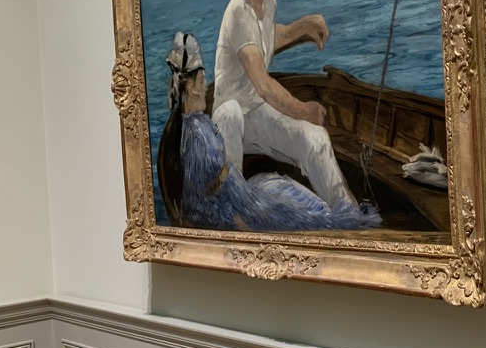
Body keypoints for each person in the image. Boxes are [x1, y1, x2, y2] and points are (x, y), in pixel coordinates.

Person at [159, 32, 380, 232]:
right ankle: (342, 222)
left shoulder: (197, 126)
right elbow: (208, 197)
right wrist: (243, 219)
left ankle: (338, 215)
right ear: (190, 88)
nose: (206, 86)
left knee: (281, 187)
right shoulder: (199, 136)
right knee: (296, 206)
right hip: (233, 209)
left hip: (237, 198)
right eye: (201, 81)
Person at [212, 0, 355, 208]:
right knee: (232, 112)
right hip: (231, 120)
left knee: (315, 137)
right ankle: (234, 207)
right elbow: (264, 85)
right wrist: (303, 110)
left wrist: (302, 26)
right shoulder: (237, 11)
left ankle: (349, 214)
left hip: (257, 112)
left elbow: (267, 37)